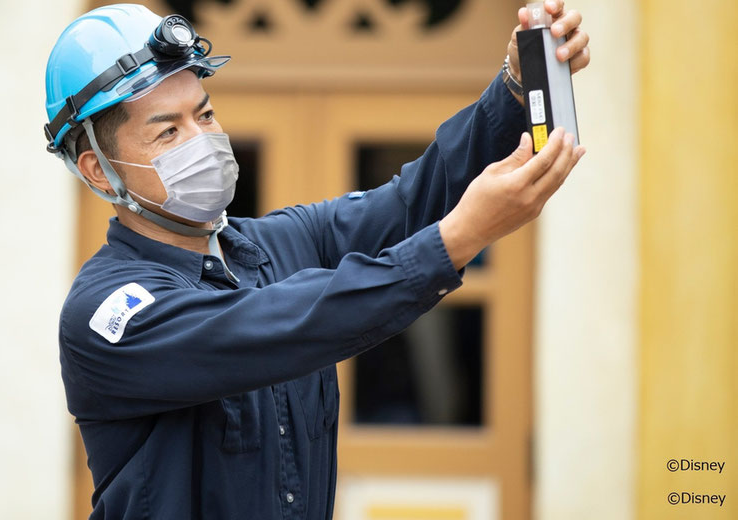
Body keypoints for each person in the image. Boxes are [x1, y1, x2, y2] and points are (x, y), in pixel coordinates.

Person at [45, 2, 589, 518]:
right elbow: (288, 325)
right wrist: (461, 237)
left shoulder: (279, 244)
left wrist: (516, 86)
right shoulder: (108, 315)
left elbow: (411, 201)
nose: (202, 140)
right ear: (97, 170)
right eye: (169, 131)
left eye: (205, 114)